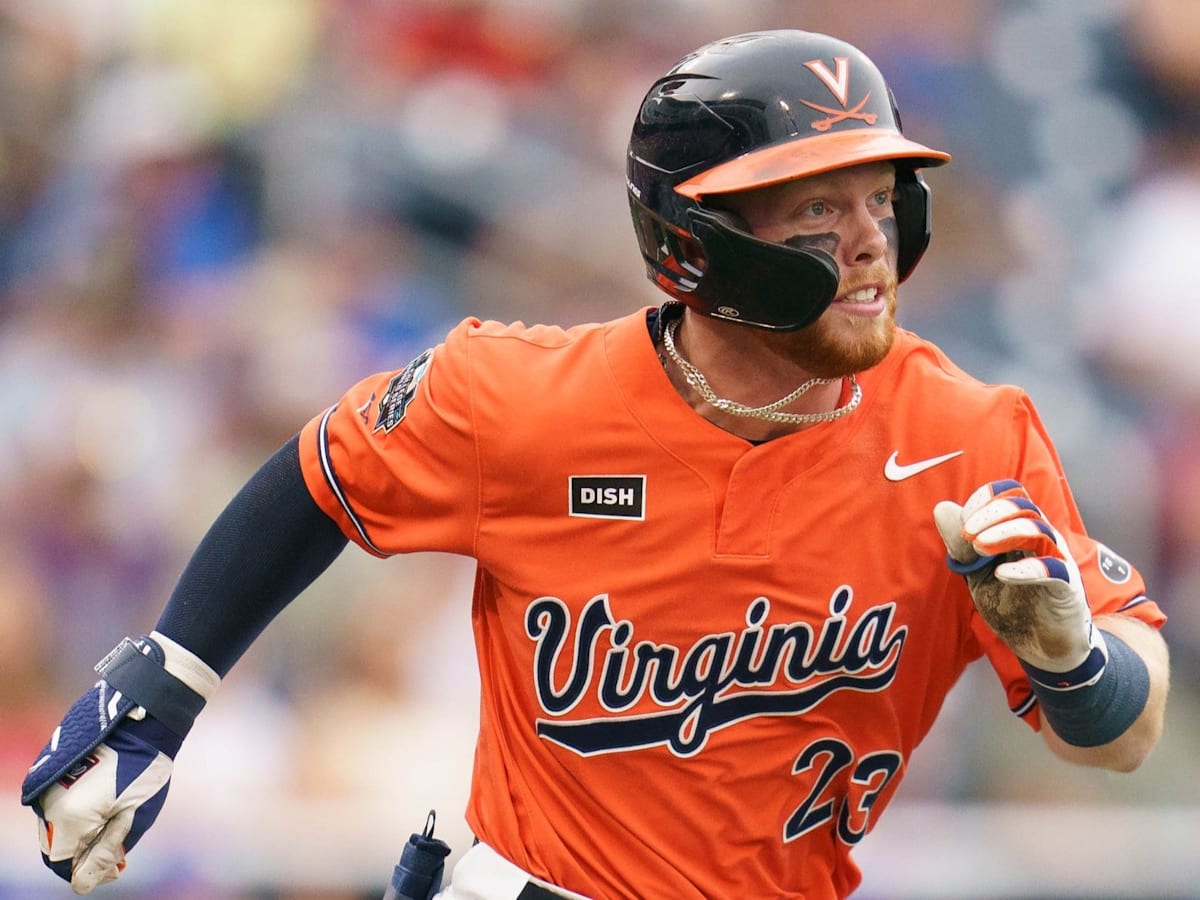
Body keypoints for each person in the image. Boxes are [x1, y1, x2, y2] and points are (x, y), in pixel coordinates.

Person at [21, 29, 1170, 900]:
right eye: (818, 208)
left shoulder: (968, 437)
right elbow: (320, 479)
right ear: (695, 241)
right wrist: (168, 683)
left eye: (882, 198)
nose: (871, 241)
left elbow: (1125, 735)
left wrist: (1074, 661)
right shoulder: (517, 396)